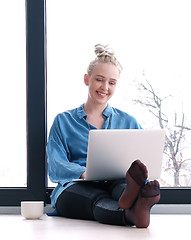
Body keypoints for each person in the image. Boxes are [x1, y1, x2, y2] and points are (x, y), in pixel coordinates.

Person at [47, 44, 161, 228]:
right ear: (86, 79)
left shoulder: (129, 122)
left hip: (116, 182)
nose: (105, 87)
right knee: (97, 199)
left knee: (123, 188)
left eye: (112, 82)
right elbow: (55, 165)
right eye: (99, 80)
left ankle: (133, 204)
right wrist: (84, 172)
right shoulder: (63, 120)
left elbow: (142, 161)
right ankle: (132, 215)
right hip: (74, 187)